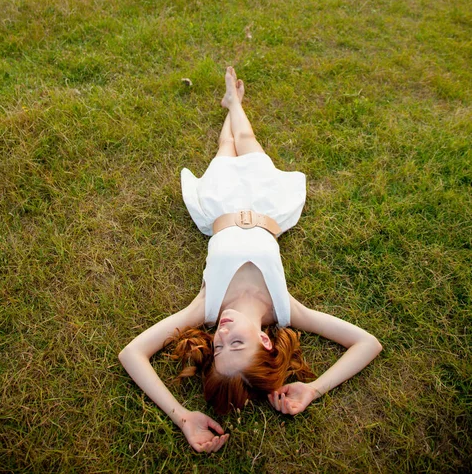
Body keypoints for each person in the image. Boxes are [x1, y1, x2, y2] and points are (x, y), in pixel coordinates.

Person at [119, 66, 382, 453]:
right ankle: (233, 100)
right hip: (266, 202)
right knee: (247, 137)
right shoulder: (286, 311)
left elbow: (131, 353)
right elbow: (367, 343)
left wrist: (184, 417)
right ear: (264, 340)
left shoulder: (205, 308)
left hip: (222, 203)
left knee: (226, 148)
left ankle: (231, 103)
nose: (222, 335)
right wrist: (312, 388)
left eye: (219, 348)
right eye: (237, 342)